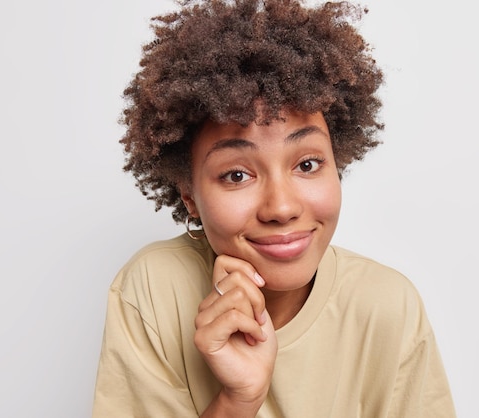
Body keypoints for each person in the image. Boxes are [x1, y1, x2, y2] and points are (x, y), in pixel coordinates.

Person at [92, 0, 456, 417]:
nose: (281, 207)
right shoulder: (155, 290)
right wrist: (238, 400)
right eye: (236, 175)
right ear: (189, 194)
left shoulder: (386, 306)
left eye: (306, 164)